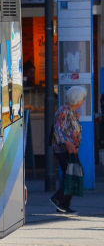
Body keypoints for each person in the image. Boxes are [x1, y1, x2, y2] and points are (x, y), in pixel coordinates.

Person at [50, 86, 86, 214]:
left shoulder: (69, 111)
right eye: (83, 98)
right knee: (74, 173)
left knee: (70, 174)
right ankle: (58, 199)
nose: (83, 101)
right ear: (77, 99)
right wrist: (69, 144)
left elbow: (69, 128)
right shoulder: (64, 110)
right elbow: (58, 130)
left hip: (69, 149)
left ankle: (63, 205)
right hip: (64, 149)